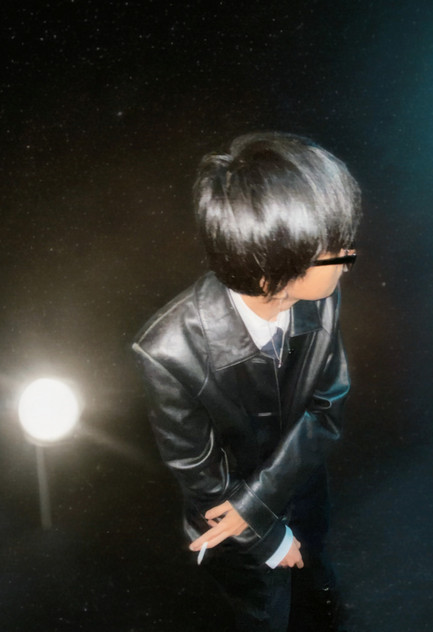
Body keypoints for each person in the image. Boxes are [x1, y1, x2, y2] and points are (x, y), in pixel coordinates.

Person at [132, 132, 362, 631]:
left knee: (319, 593)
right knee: (263, 615)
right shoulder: (168, 350)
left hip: (303, 493)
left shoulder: (322, 296)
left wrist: (260, 504)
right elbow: (201, 477)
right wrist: (268, 536)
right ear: (272, 270)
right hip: (236, 535)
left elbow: (328, 406)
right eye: (335, 248)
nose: (349, 256)